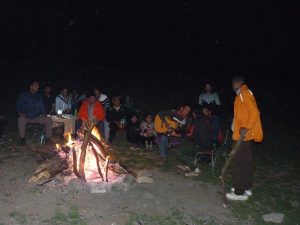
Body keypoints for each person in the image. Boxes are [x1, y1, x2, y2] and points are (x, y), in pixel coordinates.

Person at [226, 76, 263, 201]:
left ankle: (239, 192)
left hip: (241, 136)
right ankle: (246, 187)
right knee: (245, 161)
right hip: (245, 136)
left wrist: (245, 128)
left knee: (236, 162)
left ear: (237, 83)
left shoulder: (243, 93)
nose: (232, 86)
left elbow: (255, 112)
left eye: (233, 84)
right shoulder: (244, 94)